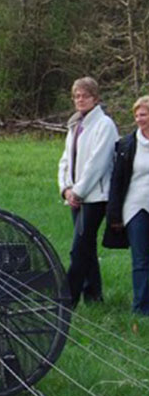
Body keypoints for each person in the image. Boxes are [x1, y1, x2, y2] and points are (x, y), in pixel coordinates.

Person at [57, 77, 118, 306]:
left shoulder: (104, 125)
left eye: (85, 95)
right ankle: (94, 296)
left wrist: (79, 192)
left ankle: (67, 298)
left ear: (95, 98)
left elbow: (98, 163)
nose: (80, 100)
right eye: (77, 96)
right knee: (87, 247)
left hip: (95, 197)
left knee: (79, 248)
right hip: (76, 197)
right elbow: (65, 160)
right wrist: (65, 189)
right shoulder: (74, 125)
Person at [107, 96, 149, 315]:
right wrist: (114, 215)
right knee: (140, 259)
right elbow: (117, 180)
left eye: (144, 114)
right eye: (137, 115)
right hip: (135, 207)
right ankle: (141, 308)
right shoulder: (126, 144)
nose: (140, 119)